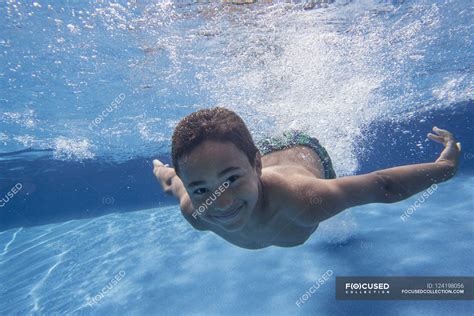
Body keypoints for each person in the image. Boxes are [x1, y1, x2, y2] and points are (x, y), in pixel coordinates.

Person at [153, 107, 460, 249]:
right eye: (201, 187)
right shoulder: (196, 212)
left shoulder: (304, 199)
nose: (221, 200)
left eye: (230, 180)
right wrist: (161, 170)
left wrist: (445, 167)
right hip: (264, 154)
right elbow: (172, 182)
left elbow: (383, 185)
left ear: (255, 166)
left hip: (305, 151)